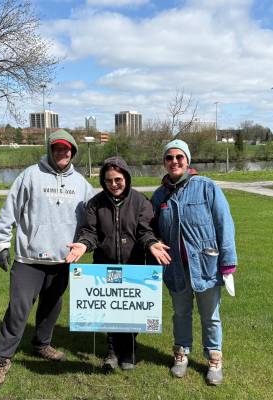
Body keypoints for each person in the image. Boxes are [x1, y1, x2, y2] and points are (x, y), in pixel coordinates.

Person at [0, 129, 95, 390]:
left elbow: (95, 216)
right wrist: (1, 243)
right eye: (58, 148)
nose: (63, 152)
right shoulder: (30, 176)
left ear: (74, 152)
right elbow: (9, 210)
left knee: (52, 307)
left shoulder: (81, 183)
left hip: (62, 261)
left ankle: (42, 344)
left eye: (67, 149)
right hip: (29, 259)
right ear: (50, 149)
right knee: (18, 309)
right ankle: (2, 359)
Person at [66, 156, 171, 371]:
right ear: (103, 181)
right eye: (108, 180)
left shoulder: (141, 201)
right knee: (110, 310)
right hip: (105, 266)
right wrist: (84, 244)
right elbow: (90, 232)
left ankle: (130, 349)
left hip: (133, 267)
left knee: (132, 311)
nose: (113, 184)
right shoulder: (95, 204)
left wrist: (151, 243)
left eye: (118, 179)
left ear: (126, 178)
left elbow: (145, 230)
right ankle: (113, 352)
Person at [150, 139, 237, 385]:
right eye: (169, 158)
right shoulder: (159, 195)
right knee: (180, 313)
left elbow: (224, 223)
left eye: (179, 157)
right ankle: (181, 354)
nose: (174, 161)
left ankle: (214, 358)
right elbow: (150, 230)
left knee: (210, 316)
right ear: (164, 162)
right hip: (175, 267)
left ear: (188, 160)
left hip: (206, 265)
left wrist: (228, 261)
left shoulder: (206, 187)